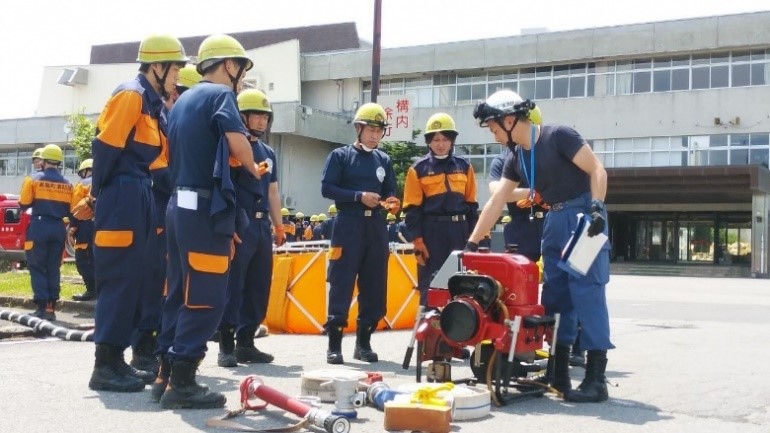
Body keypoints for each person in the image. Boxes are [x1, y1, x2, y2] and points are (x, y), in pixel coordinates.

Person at [466, 89, 613, 403]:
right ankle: (558, 373)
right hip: (555, 221)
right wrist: (472, 242)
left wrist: (598, 207)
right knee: (556, 298)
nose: (492, 135)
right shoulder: (516, 156)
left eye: (493, 127)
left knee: (587, 293)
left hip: (584, 217)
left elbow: (597, 169)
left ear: (509, 119)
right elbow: (496, 200)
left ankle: (596, 378)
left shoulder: (558, 136)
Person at [156, 33, 262, 409]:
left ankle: (165, 374)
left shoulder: (183, 100)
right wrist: (254, 167)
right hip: (201, 209)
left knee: (179, 291)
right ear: (229, 65)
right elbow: (238, 143)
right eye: (241, 68)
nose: (242, 77)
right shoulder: (220, 96)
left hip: (177, 205)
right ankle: (183, 380)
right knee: (207, 294)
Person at [87, 34, 187, 394]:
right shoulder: (131, 94)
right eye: (175, 68)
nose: (177, 76)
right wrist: (98, 194)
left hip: (141, 190)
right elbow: (105, 147)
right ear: (157, 66)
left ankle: (119, 358)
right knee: (119, 276)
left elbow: (160, 162)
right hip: (121, 192)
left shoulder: (153, 103)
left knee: (138, 276)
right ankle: (105, 364)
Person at [131, 64, 204, 375]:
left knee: (174, 282)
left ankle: (164, 346)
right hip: (162, 206)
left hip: (176, 206)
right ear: (176, 94)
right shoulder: (162, 121)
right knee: (154, 280)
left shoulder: (178, 124)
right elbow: (159, 170)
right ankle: (142, 348)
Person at [321, 102, 399, 364]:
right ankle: (334, 345)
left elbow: (391, 191)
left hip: (375, 226)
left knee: (375, 282)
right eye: (371, 129)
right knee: (342, 281)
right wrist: (358, 196)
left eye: (380, 130)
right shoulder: (340, 156)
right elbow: (327, 188)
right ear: (359, 128)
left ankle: (363, 343)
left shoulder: (384, 160)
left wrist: (392, 201)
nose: (375, 135)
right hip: (348, 223)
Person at [217, 88, 284, 368]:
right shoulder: (232, 145)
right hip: (240, 221)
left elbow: (272, 192)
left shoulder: (268, 152)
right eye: (255, 115)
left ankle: (247, 343)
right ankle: (225, 347)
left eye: (265, 116)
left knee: (258, 285)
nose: (261, 121)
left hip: (261, 225)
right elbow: (225, 187)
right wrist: (228, 223)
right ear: (241, 117)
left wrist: (279, 226)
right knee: (234, 285)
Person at [402, 113, 478, 305]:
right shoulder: (417, 169)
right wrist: (418, 241)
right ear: (429, 142)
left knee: (463, 281)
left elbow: (472, 205)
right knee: (432, 283)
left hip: (460, 231)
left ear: (452, 141)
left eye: (445, 139)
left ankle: (459, 328)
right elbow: (412, 209)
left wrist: (475, 238)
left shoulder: (464, 166)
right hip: (432, 233)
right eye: (436, 139)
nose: (441, 144)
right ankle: (428, 331)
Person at [18, 144, 73, 320]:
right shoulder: (68, 184)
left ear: (43, 161)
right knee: (53, 267)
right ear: (58, 161)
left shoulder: (33, 179)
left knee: (37, 266)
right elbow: (71, 210)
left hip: (39, 226)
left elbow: (23, 203)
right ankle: (51, 309)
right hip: (58, 228)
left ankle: (41, 307)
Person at [489, 147, 548, 260]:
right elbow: (497, 193)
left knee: (554, 273)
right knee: (521, 272)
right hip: (519, 226)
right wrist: (532, 194)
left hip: (549, 222)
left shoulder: (546, 153)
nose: (497, 137)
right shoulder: (502, 160)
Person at [70, 159, 96, 302]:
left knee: (83, 259)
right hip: (102, 226)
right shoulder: (106, 181)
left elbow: (75, 208)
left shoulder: (82, 184)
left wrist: (73, 226)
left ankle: (92, 290)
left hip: (85, 225)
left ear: (85, 171)